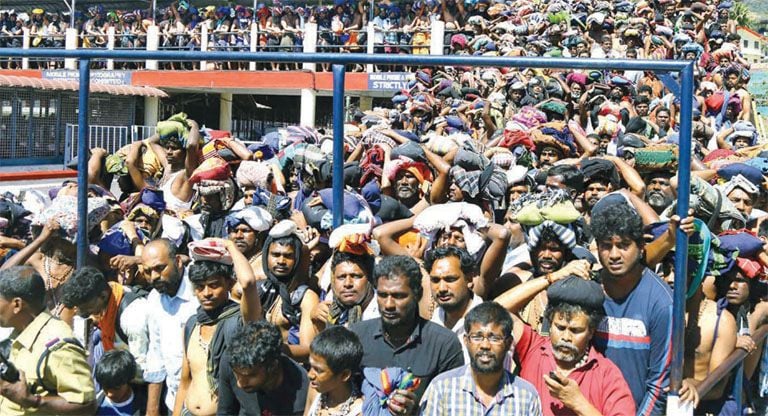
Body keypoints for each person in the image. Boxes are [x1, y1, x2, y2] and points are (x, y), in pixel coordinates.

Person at [506, 275, 636, 415]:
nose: (566, 338)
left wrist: (577, 402)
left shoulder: (606, 374)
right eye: (560, 328)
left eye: (575, 331)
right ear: (550, 324)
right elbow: (497, 308)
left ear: (591, 332)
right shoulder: (533, 349)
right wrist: (550, 278)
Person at [350, 255, 464, 413]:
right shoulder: (357, 336)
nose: (388, 305)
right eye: (383, 295)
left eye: (398, 296)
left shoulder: (444, 344)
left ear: (418, 294)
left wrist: (416, 411)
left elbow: (453, 407)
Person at [590, 202, 673, 415]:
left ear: (641, 246)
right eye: (606, 246)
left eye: (624, 245)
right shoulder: (589, 292)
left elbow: (659, 384)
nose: (614, 254)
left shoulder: (662, 303)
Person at [173, 238, 262, 416]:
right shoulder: (192, 324)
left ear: (229, 284)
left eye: (214, 285)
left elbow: (248, 283)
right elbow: (185, 380)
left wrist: (230, 245)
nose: (206, 293)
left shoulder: (240, 322)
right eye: (200, 287)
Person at [0, 266, 97, 415]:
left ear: (17, 305)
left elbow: (87, 404)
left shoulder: (58, 346)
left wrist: (32, 401)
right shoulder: (18, 331)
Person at [419, 301, 542, 415]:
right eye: (477, 337)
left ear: (509, 343)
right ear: (466, 341)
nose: (485, 345)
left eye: (494, 338)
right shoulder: (442, 389)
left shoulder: (526, 396)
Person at [142, 239, 200, 416]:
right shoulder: (154, 299)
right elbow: (156, 353)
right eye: (147, 271)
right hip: (173, 401)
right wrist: (152, 409)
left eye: (160, 268)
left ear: (178, 262)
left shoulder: (201, 293)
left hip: (203, 403)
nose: (154, 277)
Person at [60, 266, 149, 379]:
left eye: (85, 307)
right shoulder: (110, 298)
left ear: (103, 296)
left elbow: (143, 371)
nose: (79, 311)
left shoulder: (131, 318)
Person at [217, 321, 309, 415]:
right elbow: (225, 412)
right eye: (236, 374)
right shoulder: (230, 360)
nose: (240, 383)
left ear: (272, 366)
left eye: (250, 376)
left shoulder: (302, 394)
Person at [259, 220, 320, 362]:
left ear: (297, 258)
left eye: (288, 256)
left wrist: (267, 351)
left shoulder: (306, 298)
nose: (281, 261)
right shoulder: (262, 290)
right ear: (266, 256)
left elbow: (308, 350)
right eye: (275, 254)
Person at [305, 326, 364, 415]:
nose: (310, 375)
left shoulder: (358, 412)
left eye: (319, 370)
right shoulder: (315, 390)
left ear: (344, 375)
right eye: (311, 366)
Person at [95, 349, 146, 416]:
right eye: (105, 387)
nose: (110, 394)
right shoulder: (95, 408)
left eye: (116, 388)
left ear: (128, 380)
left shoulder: (146, 404)